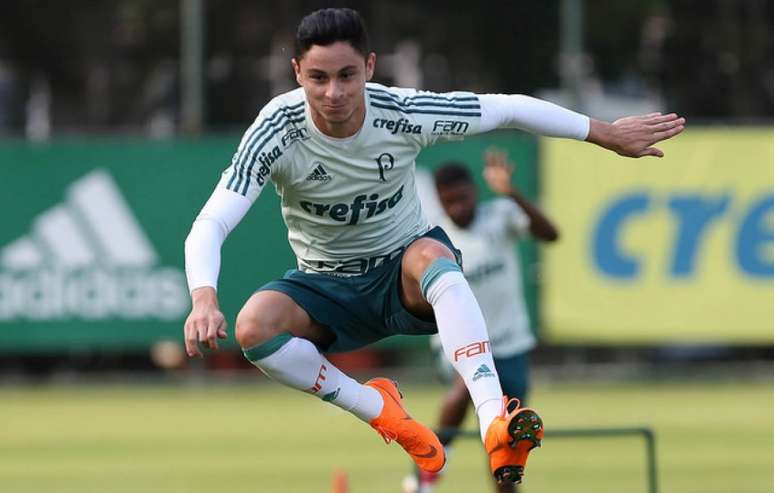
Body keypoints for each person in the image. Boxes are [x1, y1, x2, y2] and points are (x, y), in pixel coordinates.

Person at [182, 7, 685, 486]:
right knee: (253, 327)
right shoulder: (277, 129)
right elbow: (212, 221)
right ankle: (378, 409)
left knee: (432, 256)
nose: (334, 93)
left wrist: (602, 133)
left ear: (370, 68)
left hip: (403, 272)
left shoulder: (403, 112)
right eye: (318, 78)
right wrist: (203, 297)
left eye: (347, 75)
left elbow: (505, 108)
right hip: (325, 286)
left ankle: (494, 422)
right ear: (296, 72)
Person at [413, 150, 558, 493]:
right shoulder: (435, 238)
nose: (458, 207)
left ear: (474, 192)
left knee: (509, 440)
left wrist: (512, 192)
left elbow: (550, 234)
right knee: (469, 381)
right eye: (450, 202)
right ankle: (431, 469)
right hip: (459, 347)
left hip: (510, 344)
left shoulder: (501, 215)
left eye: (463, 198)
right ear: (441, 202)